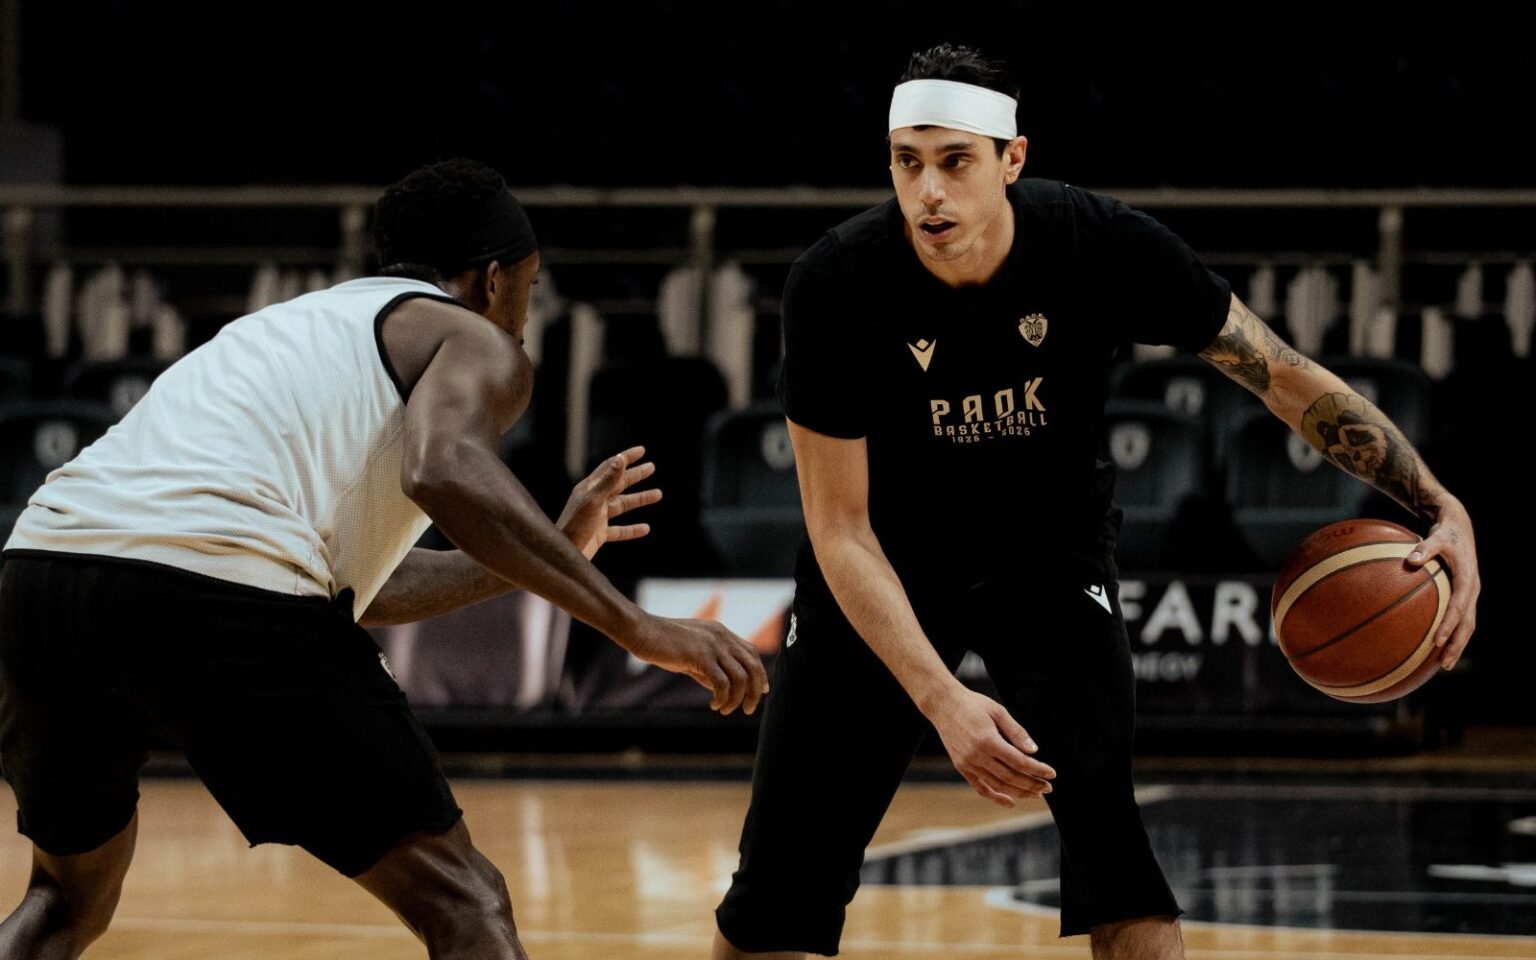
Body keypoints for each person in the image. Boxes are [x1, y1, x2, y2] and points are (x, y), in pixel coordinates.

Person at [710, 44, 1481, 960]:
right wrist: (944, 700)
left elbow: (1278, 374)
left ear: (1012, 159)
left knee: (1117, 861)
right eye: (906, 162)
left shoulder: (1099, 242)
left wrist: (1437, 501)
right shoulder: (836, 283)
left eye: (955, 161)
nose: (929, 192)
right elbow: (839, 529)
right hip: (885, 564)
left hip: (1047, 559)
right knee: (774, 900)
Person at [0, 157, 769, 960]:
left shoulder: (290, 327)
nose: (525, 313)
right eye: (531, 288)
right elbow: (442, 469)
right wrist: (636, 626)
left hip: (43, 574)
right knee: (465, 900)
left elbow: (353, 583)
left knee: (62, 902)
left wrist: (547, 548)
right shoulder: (473, 338)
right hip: (216, 584)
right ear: (494, 280)